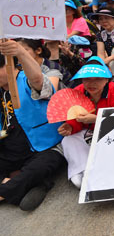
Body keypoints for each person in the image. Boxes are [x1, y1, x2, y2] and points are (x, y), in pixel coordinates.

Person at [0, 40, 65, 211]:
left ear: (7, 66)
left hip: (43, 147)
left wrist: (20, 52)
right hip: (11, 150)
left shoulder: (27, 79)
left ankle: (8, 188)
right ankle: (28, 185)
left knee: (42, 166)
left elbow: (38, 80)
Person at [57, 58, 114, 188]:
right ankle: (80, 171)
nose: (91, 83)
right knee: (67, 140)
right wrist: (69, 126)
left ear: (107, 79)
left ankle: (103, 169)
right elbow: (75, 119)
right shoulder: (77, 91)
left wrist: (96, 119)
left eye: (98, 79)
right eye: (87, 79)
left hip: (110, 131)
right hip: (87, 132)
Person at [91, 7, 114, 73]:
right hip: (111, 62)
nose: (103, 21)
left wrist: (108, 59)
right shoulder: (100, 34)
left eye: (106, 18)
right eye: (100, 19)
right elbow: (100, 53)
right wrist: (103, 63)